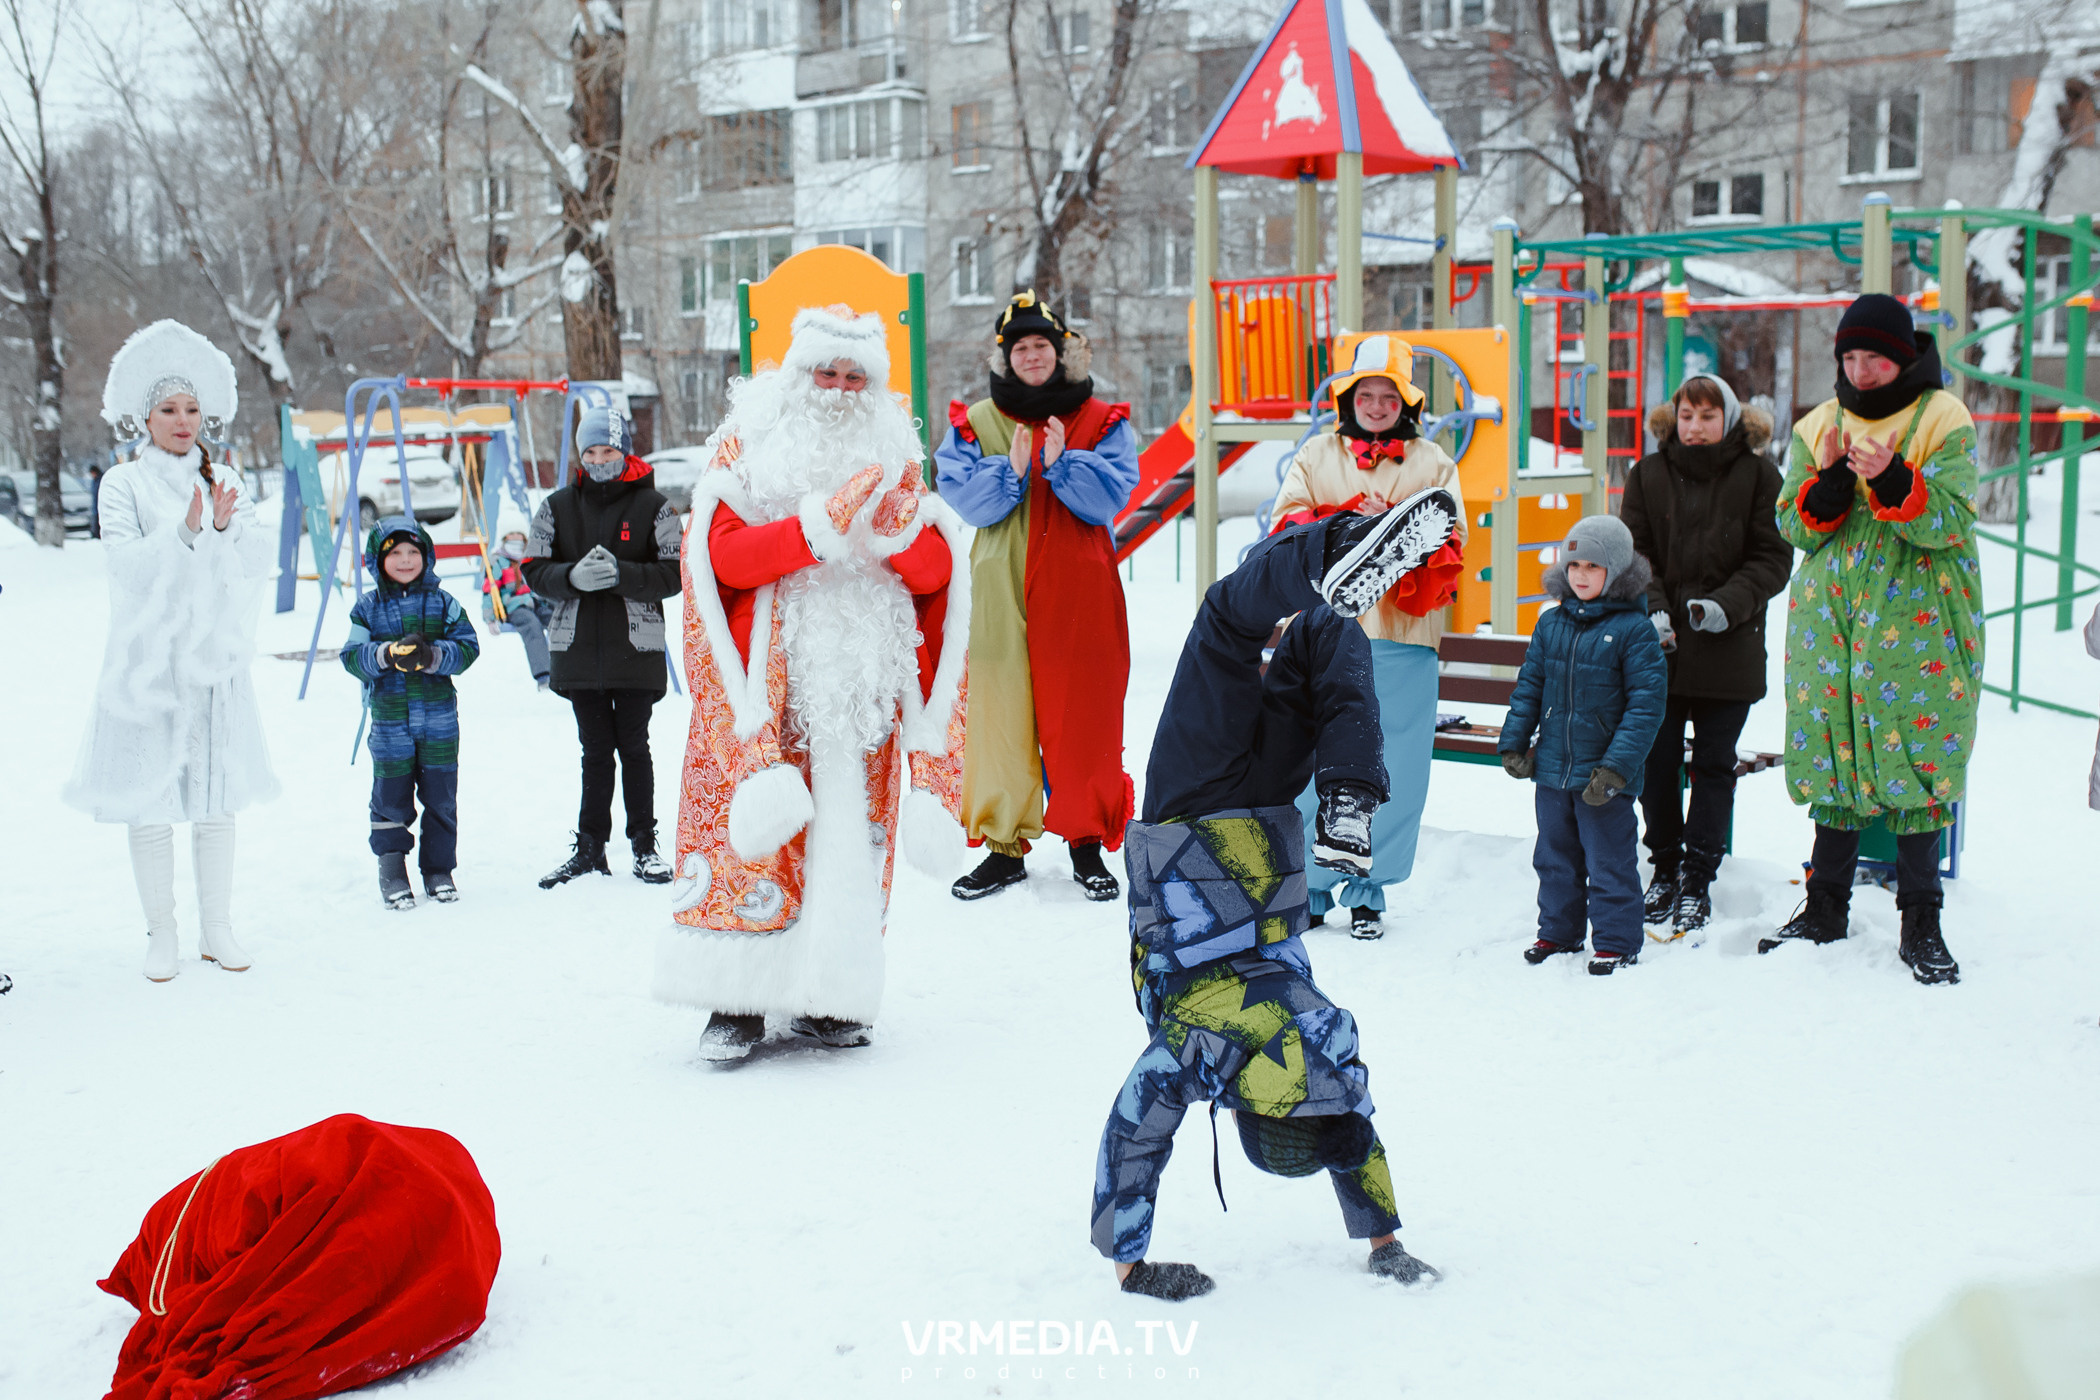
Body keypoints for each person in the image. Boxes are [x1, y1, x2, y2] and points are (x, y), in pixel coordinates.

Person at [1093, 498, 1455, 1300]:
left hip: (1266, 834)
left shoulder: (1328, 1047)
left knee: (1326, 626)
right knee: (1229, 626)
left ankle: (1351, 792)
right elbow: (1132, 1138)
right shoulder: (1200, 1054)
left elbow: (1354, 1131)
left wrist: (1386, 1241)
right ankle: (1335, 551)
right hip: (1186, 827)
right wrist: (1131, 1267)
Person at [656, 305, 971, 1062]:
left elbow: (937, 575)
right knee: (753, 843)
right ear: (796, 374)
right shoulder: (747, 444)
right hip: (765, 687)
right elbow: (719, 559)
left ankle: (832, 996)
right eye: (825, 372)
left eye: (855, 377)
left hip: (861, 690)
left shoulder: (896, 456)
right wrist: (816, 527)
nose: (838, 389)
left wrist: (896, 534)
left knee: (850, 840)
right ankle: (735, 999)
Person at [1761, 294, 1981, 986]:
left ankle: (1922, 920)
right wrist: (1829, 483)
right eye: (1850, 357)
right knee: (1834, 750)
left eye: (1875, 358)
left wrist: (1890, 475)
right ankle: (1825, 905)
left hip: (1918, 623)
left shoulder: (1943, 418)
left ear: (1903, 357)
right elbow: (1791, 524)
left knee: (1917, 756)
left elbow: (1951, 520)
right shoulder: (1819, 423)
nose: (1860, 371)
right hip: (1830, 624)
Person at [66, 322, 278, 981]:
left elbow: (255, 560)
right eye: (168, 410)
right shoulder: (121, 484)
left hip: (211, 659)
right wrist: (185, 533)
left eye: (190, 409)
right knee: (151, 794)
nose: (182, 421)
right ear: (145, 419)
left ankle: (218, 928)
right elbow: (126, 568)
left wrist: (222, 527)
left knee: (216, 793)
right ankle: (162, 933)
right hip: (147, 665)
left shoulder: (226, 477)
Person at [935, 291, 1139, 903]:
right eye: (1020, 347)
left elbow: (1111, 499)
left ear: (1061, 352)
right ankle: (1003, 849)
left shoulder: (1100, 419)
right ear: (1006, 357)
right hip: (1000, 582)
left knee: (1084, 712)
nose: (1031, 355)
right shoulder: (976, 420)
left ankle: (1086, 844)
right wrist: (1012, 471)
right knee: (1001, 710)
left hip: (1080, 584)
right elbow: (965, 499)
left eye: (1041, 345)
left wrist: (1064, 463)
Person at [1270, 334, 1468, 939]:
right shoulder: (1315, 455)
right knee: (1310, 763)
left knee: (1395, 769)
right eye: (1366, 395)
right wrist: (1350, 520)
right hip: (1322, 635)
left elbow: (1453, 541)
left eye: (1389, 396)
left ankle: (1368, 890)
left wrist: (1399, 536)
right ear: (1347, 400)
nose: (1377, 406)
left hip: (1403, 636)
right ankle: (1310, 885)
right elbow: (1283, 526)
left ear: (1406, 403)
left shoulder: (1433, 462)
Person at [1621, 373, 1790, 938]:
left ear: (1730, 419)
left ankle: (1698, 876)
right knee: (1656, 762)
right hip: (1660, 649)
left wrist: (1726, 605)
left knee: (1714, 767)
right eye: (1687, 416)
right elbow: (1635, 551)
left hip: (1728, 650)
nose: (1695, 427)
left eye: (1708, 416)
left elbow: (1772, 557)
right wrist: (1653, 607)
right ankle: (1665, 867)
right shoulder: (1648, 474)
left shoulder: (1760, 476)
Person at [521, 406, 683, 888]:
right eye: (589, 452)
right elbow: (533, 569)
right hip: (577, 651)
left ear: (624, 451)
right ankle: (590, 847)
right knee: (594, 750)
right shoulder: (556, 506)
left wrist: (622, 575)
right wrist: (570, 577)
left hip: (636, 649)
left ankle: (644, 846)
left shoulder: (656, 507)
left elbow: (674, 573)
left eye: (607, 450)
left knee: (634, 747)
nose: (598, 460)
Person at [1500, 515, 1669, 975]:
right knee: (1554, 857)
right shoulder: (1551, 624)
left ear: (1616, 572)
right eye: (1574, 564)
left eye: (1593, 565)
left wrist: (1616, 768)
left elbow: (1645, 708)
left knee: (1609, 859)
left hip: (1604, 775)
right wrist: (1515, 741)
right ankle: (1559, 932)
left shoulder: (1634, 631)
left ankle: (1616, 941)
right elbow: (1530, 687)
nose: (1580, 574)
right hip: (1553, 768)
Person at [341, 518, 480, 909]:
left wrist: (433, 655)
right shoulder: (367, 608)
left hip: (439, 723)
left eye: (413, 552)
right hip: (390, 725)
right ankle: (392, 870)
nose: (405, 560)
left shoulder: (444, 603)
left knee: (441, 797)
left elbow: (468, 647)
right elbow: (351, 657)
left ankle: (438, 870)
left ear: (426, 556)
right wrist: (385, 655)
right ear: (378, 560)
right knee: (390, 797)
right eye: (396, 553)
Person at [482, 527, 551, 690]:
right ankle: (543, 675)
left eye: (518, 534)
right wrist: (490, 618)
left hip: (534, 601)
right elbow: (489, 590)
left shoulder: (530, 556)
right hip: (513, 605)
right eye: (511, 534)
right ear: (505, 537)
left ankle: (566, 666)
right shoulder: (498, 560)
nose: (515, 537)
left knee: (556, 619)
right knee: (532, 625)